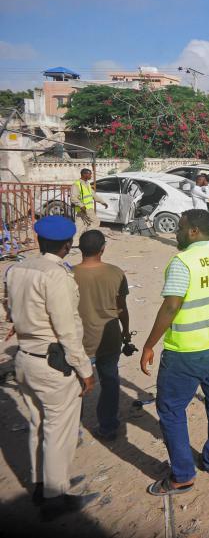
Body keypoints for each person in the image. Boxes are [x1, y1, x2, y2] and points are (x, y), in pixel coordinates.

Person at [141, 209, 209, 497]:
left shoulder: (182, 261)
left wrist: (149, 344)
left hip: (186, 350)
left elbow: (171, 307)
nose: (177, 232)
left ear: (194, 231)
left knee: (171, 410)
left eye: (181, 227)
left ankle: (183, 476)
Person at [6, 216, 98, 518]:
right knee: (59, 431)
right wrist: (84, 369)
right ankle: (55, 499)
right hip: (52, 363)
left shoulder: (17, 268)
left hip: (25, 358)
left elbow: (10, 310)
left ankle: (42, 484)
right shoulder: (57, 276)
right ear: (67, 245)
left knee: (38, 424)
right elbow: (67, 329)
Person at [72, 230, 130, 440]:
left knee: (75, 385)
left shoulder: (69, 274)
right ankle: (108, 426)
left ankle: (71, 431)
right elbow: (121, 307)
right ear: (103, 249)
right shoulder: (116, 272)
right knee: (110, 380)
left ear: (79, 248)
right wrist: (126, 333)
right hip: (109, 336)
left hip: (79, 340)